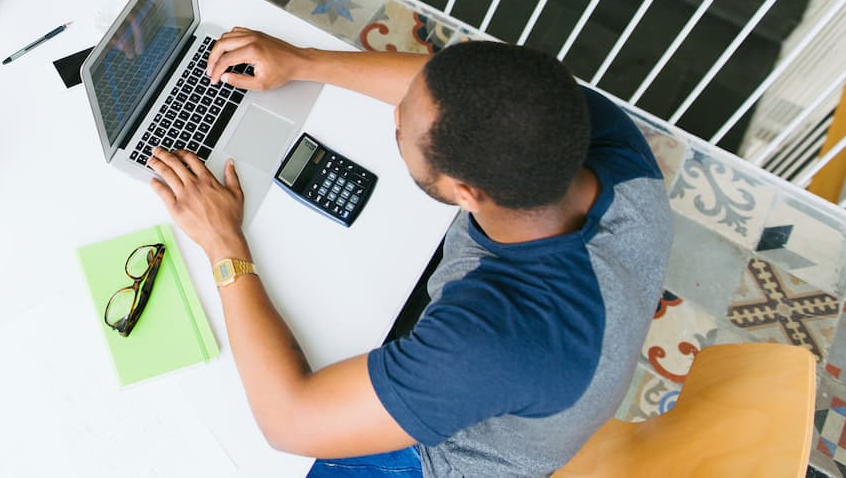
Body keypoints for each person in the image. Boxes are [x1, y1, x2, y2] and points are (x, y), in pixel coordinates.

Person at [147, 28, 672, 477]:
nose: (395, 115)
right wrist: (304, 62)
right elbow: (450, 90)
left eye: (404, 130)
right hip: (552, 360)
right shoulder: (589, 133)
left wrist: (224, 243)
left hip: (440, 459)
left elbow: (289, 422)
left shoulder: (495, 338)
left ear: (465, 193)